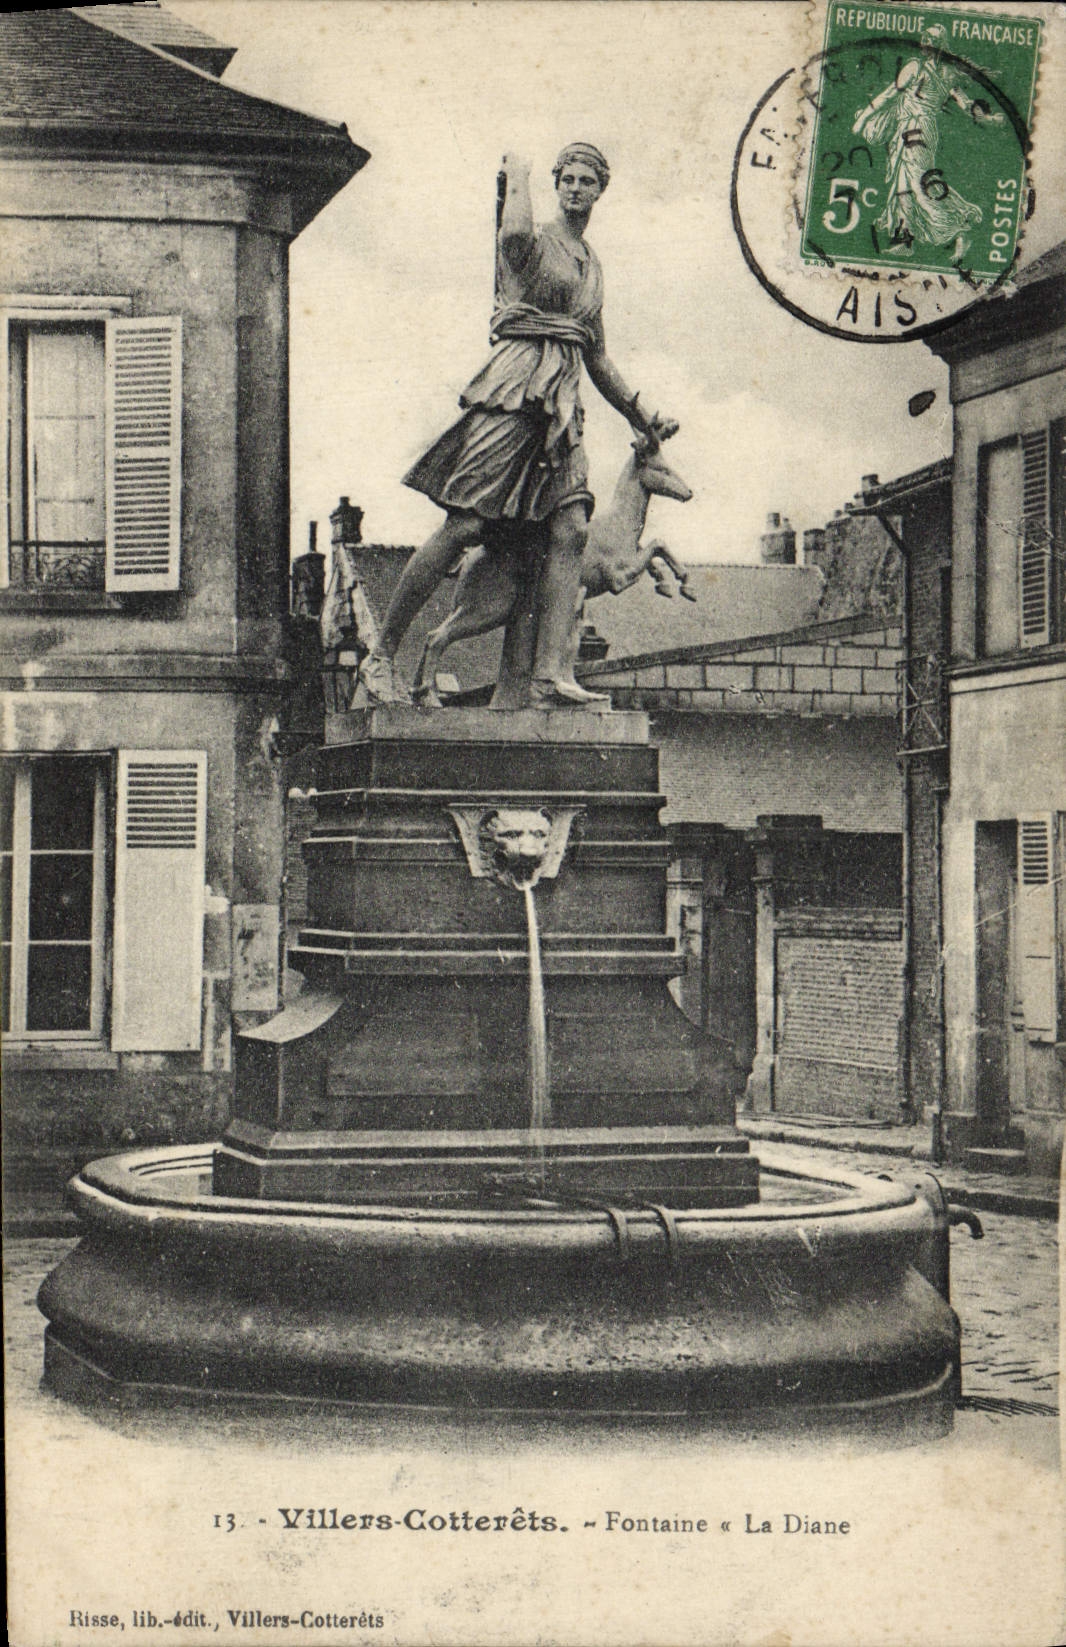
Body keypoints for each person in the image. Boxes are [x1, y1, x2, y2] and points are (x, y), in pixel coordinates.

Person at [358, 142, 678, 706]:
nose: (577, 189)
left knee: (572, 529)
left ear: (602, 190)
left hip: (562, 403)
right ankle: (381, 656)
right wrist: (519, 173)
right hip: (512, 388)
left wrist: (641, 412)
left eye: (587, 181)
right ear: (556, 185)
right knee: (466, 525)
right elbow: (511, 238)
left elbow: (598, 355)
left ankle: (549, 677)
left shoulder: (592, 265)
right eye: (568, 179)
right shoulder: (534, 243)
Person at [851, 24, 1004, 265]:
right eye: (925, 37)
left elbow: (892, 94)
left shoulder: (931, 70)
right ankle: (904, 240)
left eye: (931, 38)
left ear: (941, 44)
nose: (926, 41)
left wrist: (862, 118)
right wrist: (984, 116)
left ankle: (960, 228)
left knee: (918, 184)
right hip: (912, 130)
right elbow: (893, 93)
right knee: (904, 186)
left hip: (917, 130)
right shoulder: (927, 68)